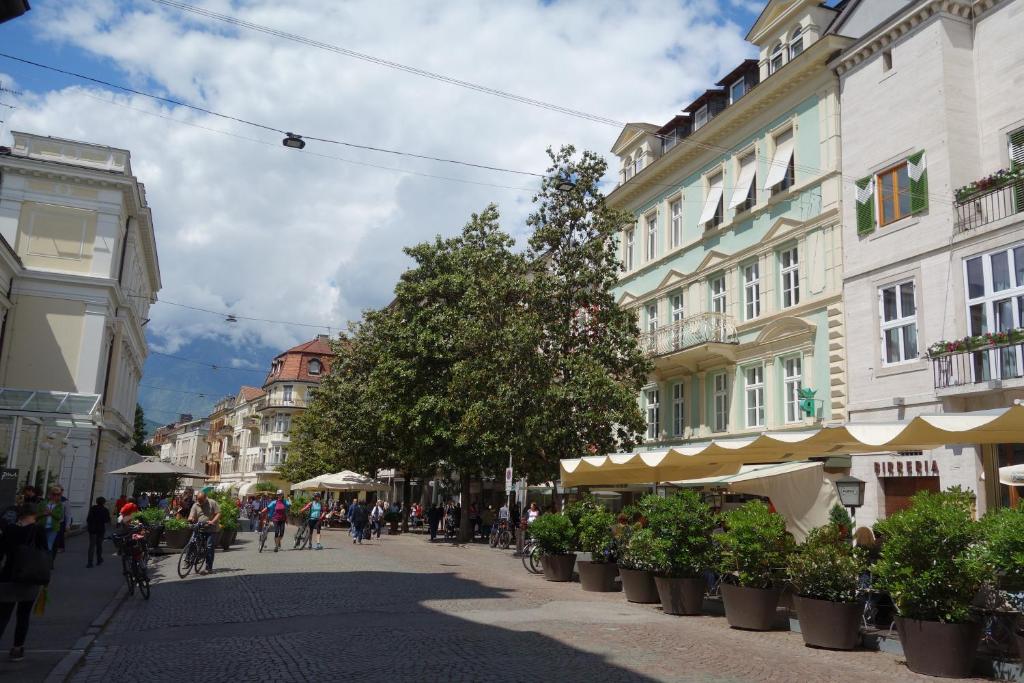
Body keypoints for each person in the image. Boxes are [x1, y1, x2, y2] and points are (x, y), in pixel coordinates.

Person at [0, 504, 49, 661]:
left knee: (3, 615)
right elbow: (45, 553)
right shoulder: (38, 530)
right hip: (31, 576)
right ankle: (17, 648)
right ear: (34, 514)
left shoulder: (9, 530)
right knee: (23, 615)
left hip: (9, 575)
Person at [187, 492, 221, 575]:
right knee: (192, 542)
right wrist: (191, 519)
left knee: (209, 547)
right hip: (200, 528)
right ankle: (188, 560)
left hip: (211, 529)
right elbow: (191, 516)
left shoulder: (212, 502)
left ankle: (208, 568)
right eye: (198, 500)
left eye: (201, 500)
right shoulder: (195, 505)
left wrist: (212, 521)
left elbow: (218, 513)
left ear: (206, 497)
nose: (200, 502)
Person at [36, 487, 64, 565]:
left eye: (58, 494)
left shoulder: (60, 505)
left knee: (48, 545)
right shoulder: (42, 503)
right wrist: (43, 514)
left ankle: (46, 563)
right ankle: (40, 562)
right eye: (54, 494)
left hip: (53, 528)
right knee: (40, 545)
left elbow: (60, 517)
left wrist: (51, 513)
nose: (56, 496)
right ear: (50, 494)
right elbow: (36, 515)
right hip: (41, 527)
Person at [85, 497, 111, 568]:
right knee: (99, 545)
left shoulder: (93, 508)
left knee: (91, 546)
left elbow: (88, 519)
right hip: (100, 529)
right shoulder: (105, 510)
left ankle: (90, 562)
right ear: (104, 502)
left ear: (96, 502)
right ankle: (99, 559)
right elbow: (107, 520)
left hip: (92, 529)